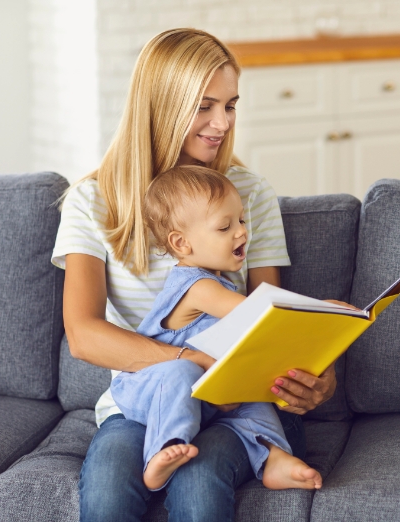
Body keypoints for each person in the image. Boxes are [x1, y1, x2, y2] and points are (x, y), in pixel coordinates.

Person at [57, 28, 340, 522]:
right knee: (106, 489)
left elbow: (267, 316)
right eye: (204, 106)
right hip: (144, 402)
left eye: (230, 105)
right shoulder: (92, 201)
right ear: (161, 106)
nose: (221, 123)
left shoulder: (249, 193)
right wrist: (191, 368)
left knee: (201, 481)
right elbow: (83, 335)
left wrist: (320, 375)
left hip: (241, 405)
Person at [109, 165, 321, 492]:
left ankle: (273, 455)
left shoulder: (219, 281)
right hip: (149, 388)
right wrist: (325, 310)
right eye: (225, 227)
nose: (241, 232)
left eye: (241, 220)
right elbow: (258, 314)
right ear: (181, 243)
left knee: (248, 387)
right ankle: (161, 452)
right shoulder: (197, 287)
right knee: (179, 371)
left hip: (201, 393)